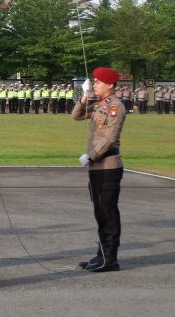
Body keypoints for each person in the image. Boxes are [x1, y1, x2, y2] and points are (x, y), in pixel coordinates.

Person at [73, 67, 126, 273]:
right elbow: (76, 115)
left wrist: (91, 156)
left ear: (110, 85)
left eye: (97, 82)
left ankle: (110, 258)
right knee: (99, 211)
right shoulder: (99, 105)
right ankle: (102, 255)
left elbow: (110, 138)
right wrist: (85, 97)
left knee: (108, 212)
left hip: (108, 166)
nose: (94, 84)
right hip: (96, 167)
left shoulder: (115, 106)